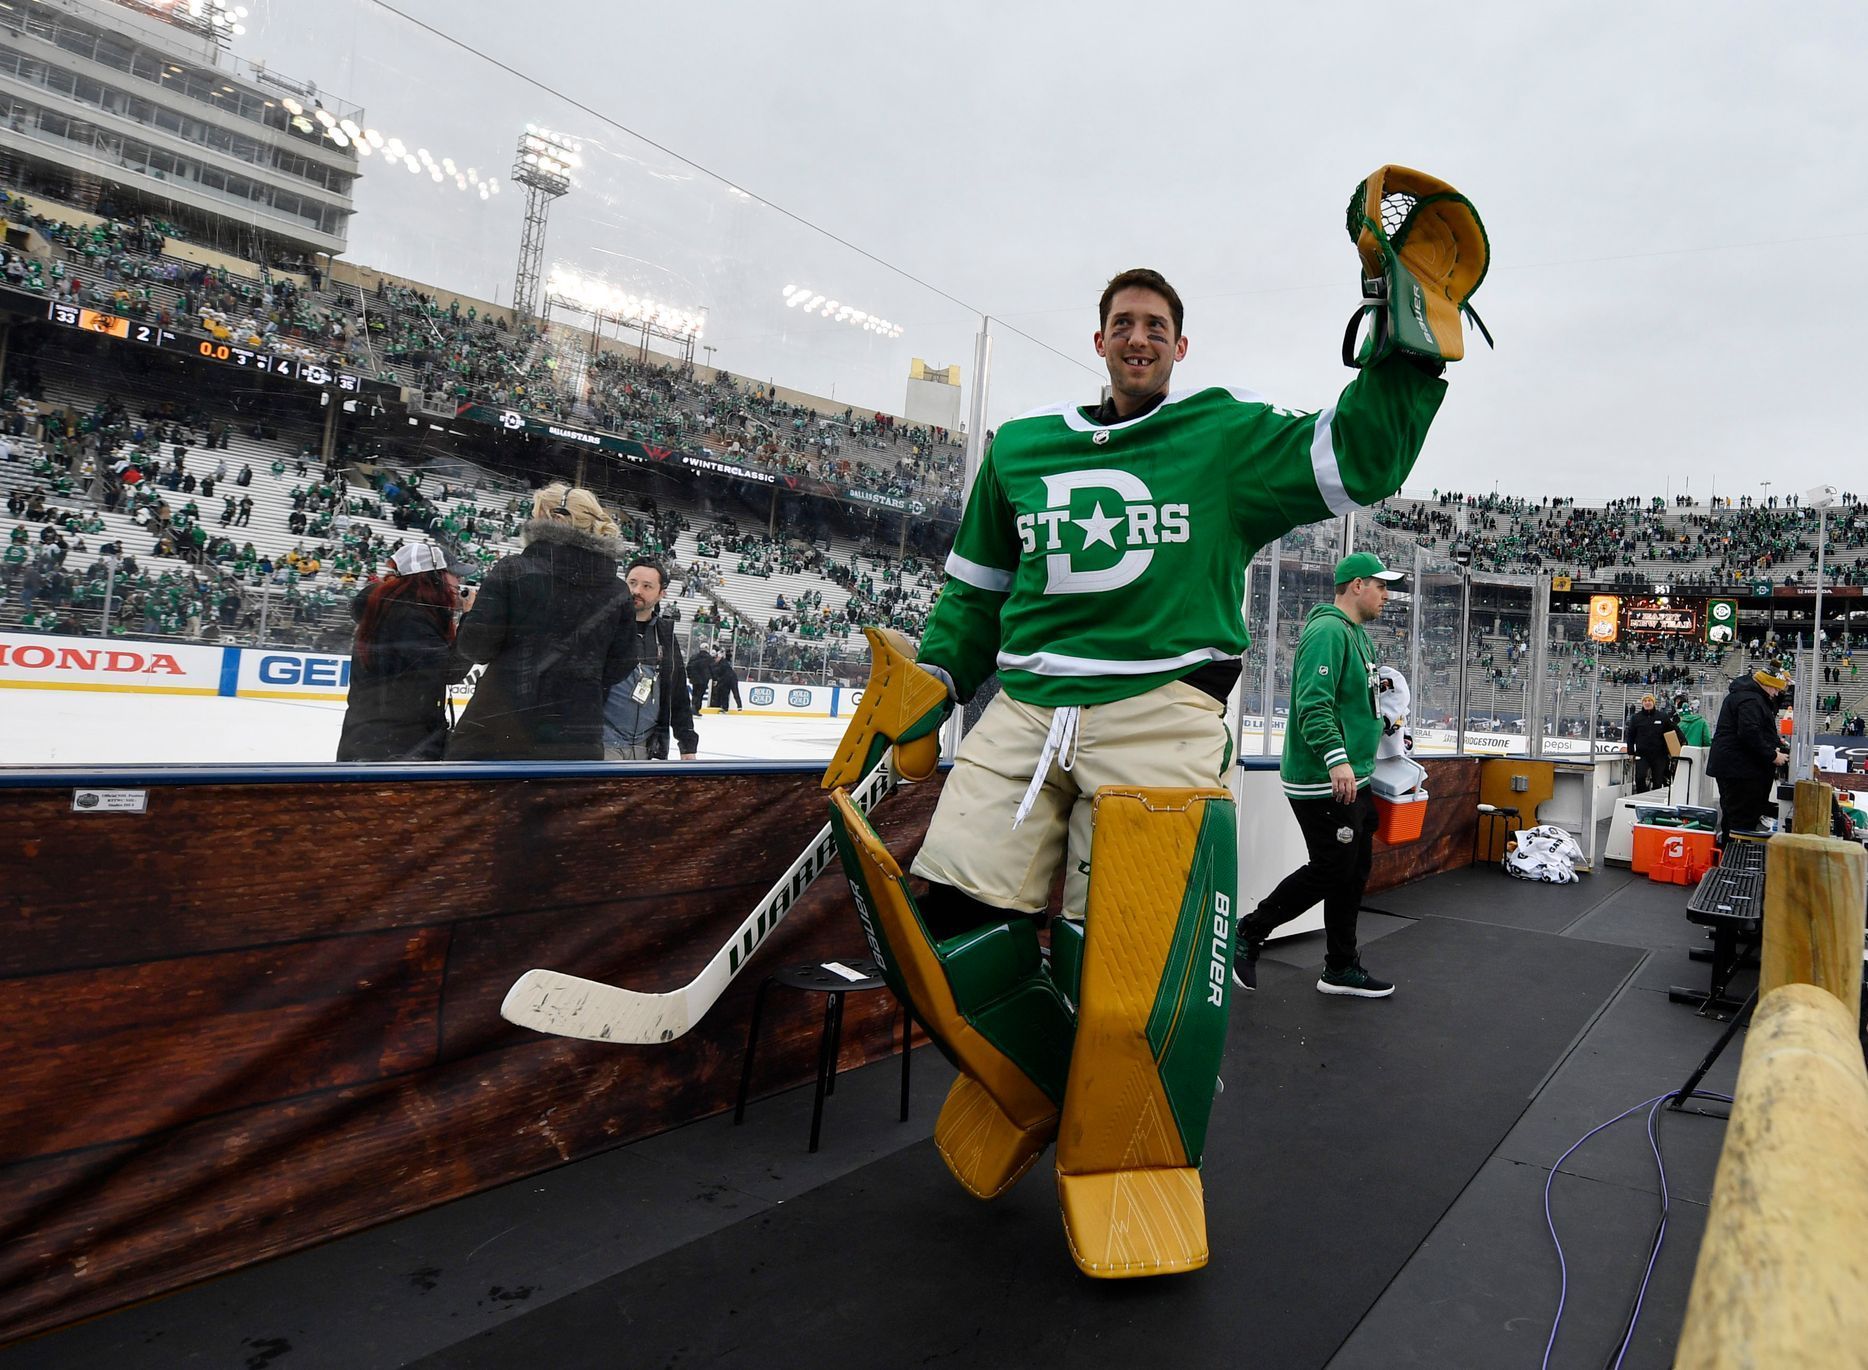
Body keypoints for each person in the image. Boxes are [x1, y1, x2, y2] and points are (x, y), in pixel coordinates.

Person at [903, 267, 1444, 939]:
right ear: (1099, 340)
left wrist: (1409, 349)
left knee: (1125, 944)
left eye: (1156, 327)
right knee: (956, 915)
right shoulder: (1020, 447)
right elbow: (979, 590)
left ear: (1179, 348)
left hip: (1162, 713)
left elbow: (1358, 455)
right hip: (1026, 707)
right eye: (1124, 325)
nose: (1139, 338)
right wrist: (940, 673)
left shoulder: (1219, 432)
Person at [1232, 552, 1407, 998]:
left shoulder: (1358, 636)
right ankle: (1248, 933)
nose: (1387, 594)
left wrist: (1384, 724)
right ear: (1355, 586)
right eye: (1381, 585)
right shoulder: (1328, 631)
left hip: (1356, 777)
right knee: (1332, 868)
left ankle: (1340, 967)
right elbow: (1313, 704)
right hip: (1323, 778)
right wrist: (1336, 758)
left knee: (1353, 871)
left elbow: (1359, 703)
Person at [443, 484, 634, 761]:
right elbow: (621, 664)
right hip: (576, 737)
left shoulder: (514, 569)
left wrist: (472, 615)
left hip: (498, 730)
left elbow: (476, 648)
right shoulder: (616, 590)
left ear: (549, 517)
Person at [335, 542, 470, 761]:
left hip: (382, 746)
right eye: (454, 575)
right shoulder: (408, 617)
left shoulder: (397, 610)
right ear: (432, 577)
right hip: (394, 751)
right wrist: (470, 619)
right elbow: (450, 671)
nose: (459, 582)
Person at [602, 556, 699, 761]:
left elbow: (678, 694)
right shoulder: (603, 626)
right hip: (603, 746)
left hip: (647, 749)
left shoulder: (664, 635)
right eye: (632, 583)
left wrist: (687, 744)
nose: (637, 591)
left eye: (647, 586)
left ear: (661, 593)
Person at [1706, 667, 1789, 841]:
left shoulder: (1751, 696)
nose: (1777, 692)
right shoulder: (1750, 699)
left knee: (1733, 816)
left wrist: (1773, 743)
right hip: (1739, 770)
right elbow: (1749, 733)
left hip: (1737, 767)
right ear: (1766, 684)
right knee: (1741, 819)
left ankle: (1729, 854)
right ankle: (1734, 858)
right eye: (1775, 688)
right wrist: (1773, 755)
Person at [1623, 692, 1679, 793]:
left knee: (1658, 781)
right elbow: (1630, 736)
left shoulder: (1662, 716)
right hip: (1642, 754)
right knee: (1640, 777)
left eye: (1649, 700)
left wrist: (1683, 743)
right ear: (1642, 703)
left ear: (1653, 702)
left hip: (1659, 755)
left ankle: (1654, 800)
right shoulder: (1636, 718)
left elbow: (1675, 730)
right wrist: (1630, 752)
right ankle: (1641, 797)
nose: (1647, 703)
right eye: (1645, 701)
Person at [686, 645, 714, 715]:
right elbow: (712, 669)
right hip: (704, 679)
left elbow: (688, 667)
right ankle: (696, 709)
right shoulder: (709, 658)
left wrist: (690, 676)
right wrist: (714, 678)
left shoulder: (694, 657)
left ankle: (693, 707)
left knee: (695, 693)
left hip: (695, 679)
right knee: (700, 694)